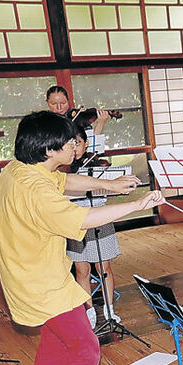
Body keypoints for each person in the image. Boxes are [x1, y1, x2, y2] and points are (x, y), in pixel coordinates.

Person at [0, 111, 163, 365]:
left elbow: (65, 181)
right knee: (86, 348)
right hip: (43, 284)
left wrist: (109, 185)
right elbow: (82, 219)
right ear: (48, 149)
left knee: (55, 345)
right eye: (68, 142)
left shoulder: (20, 170)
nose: (75, 146)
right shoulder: (36, 192)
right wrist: (136, 205)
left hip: (26, 276)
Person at [63, 127, 121, 327]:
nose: (74, 148)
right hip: (76, 222)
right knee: (81, 270)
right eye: (70, 143)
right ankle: (89, 311)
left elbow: (108, 193)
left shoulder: (98, 165)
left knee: (104, 268)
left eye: (78, 143)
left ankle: (109, 308)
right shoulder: (62, 171)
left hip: (100, 219)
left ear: (86, 143)